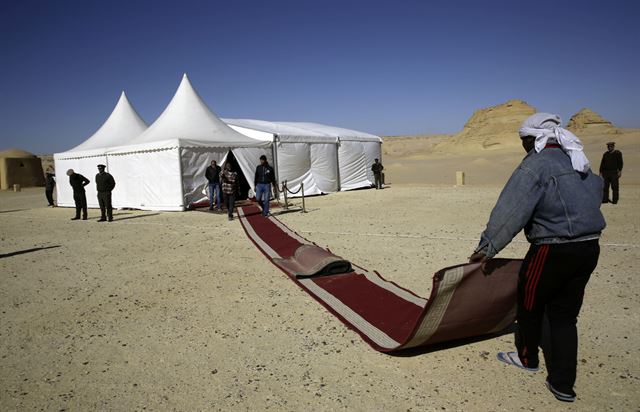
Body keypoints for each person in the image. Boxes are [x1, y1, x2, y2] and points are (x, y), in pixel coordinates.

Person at [468, 113, 605, 403]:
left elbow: (511, 209)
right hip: (589, 247)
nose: (522, 145)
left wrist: (487, 248)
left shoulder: (535, 166)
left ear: (532, 139)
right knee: (566, 316)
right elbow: (596, 190)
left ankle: (527, 359)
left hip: (552, 249)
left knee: (529, 305)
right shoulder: (577, 158)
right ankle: (563, 384)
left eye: (523, 140)